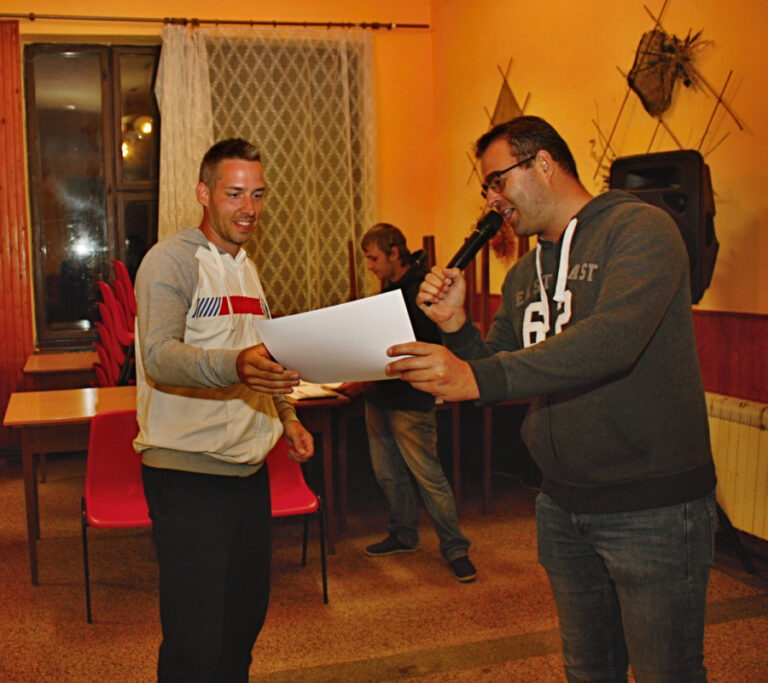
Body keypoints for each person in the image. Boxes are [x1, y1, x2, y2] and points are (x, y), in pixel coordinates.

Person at [386, 116, 717, 681]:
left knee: (667, 672)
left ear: (542, 163)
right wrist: (458, 327)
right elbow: (494, 370)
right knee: (588, 669)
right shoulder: (524, 275)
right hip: (562, 505)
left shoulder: (641, 229)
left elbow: (613, 340)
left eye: (497, 181)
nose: (492, 200)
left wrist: (477, 377)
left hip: (652, 505)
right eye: (486, 188)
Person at [133, 137, 315, 682]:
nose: (249, 208)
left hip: (247, 473)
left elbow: (262, 356)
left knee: (242, 624)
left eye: (257, 194)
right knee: (195, 640)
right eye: (235, 193)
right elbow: (160, 356)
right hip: (187, 474)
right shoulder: (171, 260)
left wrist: (287, 416)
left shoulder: (246, 268)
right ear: (203, 193)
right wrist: (234, 365)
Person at [337, 223, 475, 582]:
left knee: (428, 476)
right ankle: (403, 534)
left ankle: (455, 547)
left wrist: (364, 379)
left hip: (410, 398)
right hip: (379, 396)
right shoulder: (390, 289)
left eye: (373, 258)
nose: (370, 266)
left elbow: (415, 349)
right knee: (388, 474)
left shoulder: (420, 291)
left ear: (394, 254)